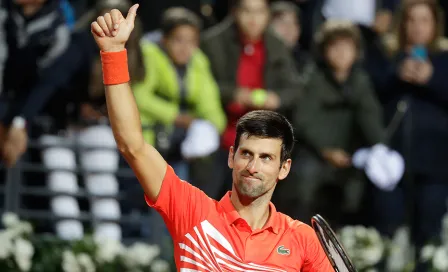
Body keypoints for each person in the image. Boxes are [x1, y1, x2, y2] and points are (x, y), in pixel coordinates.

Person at [90, 5, 333, 271]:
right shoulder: (192, 212)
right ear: (231, 156)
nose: (253, 167)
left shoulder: (303, 240)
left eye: (266, 158)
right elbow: (132, 144)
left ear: (283, 168)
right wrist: (113, 53)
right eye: (246, 154)